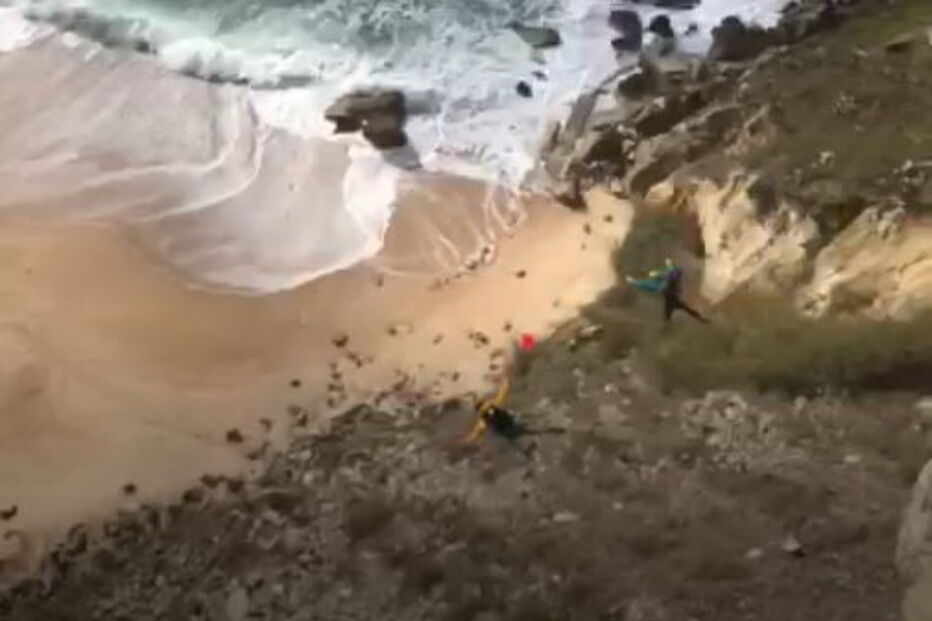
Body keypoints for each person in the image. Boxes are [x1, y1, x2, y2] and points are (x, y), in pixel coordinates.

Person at [626, 258, 709, 325]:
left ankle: (701, 319)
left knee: (681, 311)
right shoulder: (659, 282)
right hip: (671, 300)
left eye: (655, 274)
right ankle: (700, 319)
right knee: (677, 313)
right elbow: (644, 284)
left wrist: (633, 281)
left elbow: (674, 272)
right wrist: (633, 281)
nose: (654, 275)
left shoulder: (665, 279)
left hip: (672, 300)